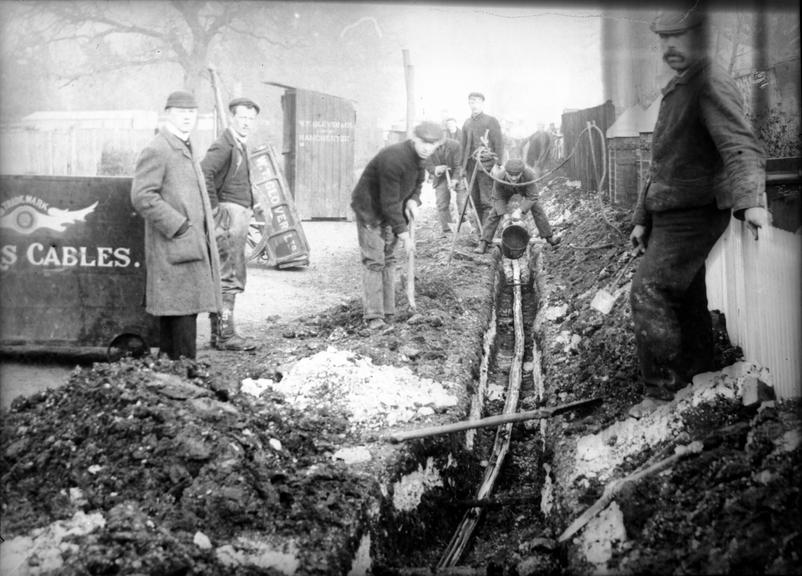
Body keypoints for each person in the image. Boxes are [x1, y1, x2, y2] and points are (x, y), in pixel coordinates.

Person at [629, 7, 768, 406]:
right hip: (673, 210)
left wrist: (752, 202)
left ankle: (662, 394)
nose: (670, 46)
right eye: (664, 39)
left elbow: (741, 144)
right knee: (686, 296)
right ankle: (699, 378)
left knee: (649, 291)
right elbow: (664, 163)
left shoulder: (710, 84)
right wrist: (643, 218)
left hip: (695, 211)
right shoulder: (682, 86)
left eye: (680, 36)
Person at [131, 90, 222, 360]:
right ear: (167, 114)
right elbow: (142, 195)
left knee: (182, 314)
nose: (187, 118)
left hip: (187, 247)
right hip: (176, 246)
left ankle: (174, 381)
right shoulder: (159, 148)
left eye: (191, 113)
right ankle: (184, 382)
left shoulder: (183, 145)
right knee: (180, 315)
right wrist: (179, 226)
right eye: (181, 112)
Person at [351, 121, 442, 330]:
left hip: (393, 209)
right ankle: (374, 317)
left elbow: (418, 183)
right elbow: (388, 202)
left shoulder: (421, 158)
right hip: (371, 210)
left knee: (389, 260)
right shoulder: (394, 158)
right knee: (374, 260)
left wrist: (413, 200)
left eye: (432, 144)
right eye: (423, 143)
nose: (427, 148)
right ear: (414, 139)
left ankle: (388, 312)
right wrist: (404, 234)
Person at [200, 97, 261, 351]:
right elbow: (204, 172)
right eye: (242, 117)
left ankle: (219, 334)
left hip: (237, 214)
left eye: (250, 118)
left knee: (227, 272)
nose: (246, 122)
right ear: (232, 118)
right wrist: (215, 208)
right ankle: (226, 336)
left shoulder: (238, 143)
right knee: (229, 275)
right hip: (228, 216)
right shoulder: (224, 144)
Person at [475, 158, 560, 254]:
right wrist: (504, 214)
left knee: (537, 207)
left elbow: (533, 196)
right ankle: (484, 242)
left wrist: (520, 210)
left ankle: (549, 237)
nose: (514, 178)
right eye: (510, 175)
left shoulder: (529, 175)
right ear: (506, 172)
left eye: (517, 175)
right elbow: (497, 197)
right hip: (505, 190)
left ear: (522, 172)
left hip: (523, 188)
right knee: (494, 212)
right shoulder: (499, 176)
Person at [460, 92, 504, 235]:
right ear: (468, 104)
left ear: (483, 104)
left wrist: (498, 164)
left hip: (486, 166)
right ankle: (480, 232)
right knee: (475, 201)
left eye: (477, 102)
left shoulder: (491, 121)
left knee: (487, 202)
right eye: (471, 102)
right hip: (470, 167)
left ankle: (487, 235)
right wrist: (462, 166)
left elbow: (499, 143)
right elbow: (463, 146)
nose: (474, 105)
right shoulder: (466, 123)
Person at [425, 135, 465, 236]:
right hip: (441, 177)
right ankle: (447, 230)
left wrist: (455, 179)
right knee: (442, 204)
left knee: (461, 203)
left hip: (457, 174)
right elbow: (427, 164)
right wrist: (435, 169)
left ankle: (464, 226)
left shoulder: (455, 145)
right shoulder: (429, 146)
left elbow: (459, 165)